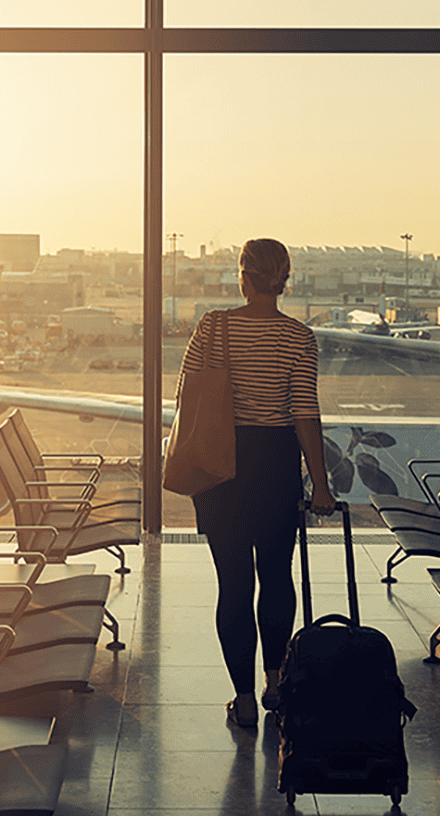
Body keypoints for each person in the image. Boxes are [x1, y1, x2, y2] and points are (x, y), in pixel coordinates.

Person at [177, 238, 335, 729]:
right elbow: (304, 414)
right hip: (276, 463)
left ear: (242, 276)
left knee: (234, 585)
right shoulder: (298, 337)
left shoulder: (213, 325)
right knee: (276, 576)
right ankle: (275, 682)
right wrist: (322, 486)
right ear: (284, 279)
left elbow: (188, 394)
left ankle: (243, 700)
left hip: (221, 464)